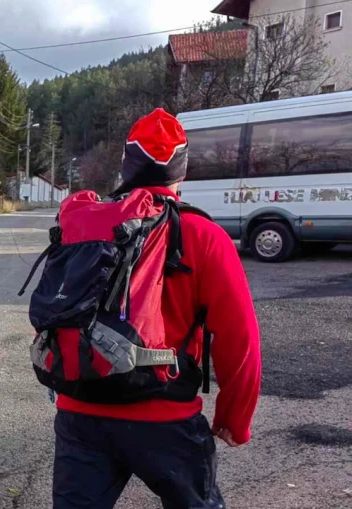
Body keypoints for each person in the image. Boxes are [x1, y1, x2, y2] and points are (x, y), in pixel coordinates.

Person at [50, 109, 262, 508]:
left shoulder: (84, 224)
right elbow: (240, 339)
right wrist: (235, 419)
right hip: (167, 417)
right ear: (181, 172)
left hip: (81, 410)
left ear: (127, 166)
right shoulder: (204, 235)